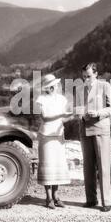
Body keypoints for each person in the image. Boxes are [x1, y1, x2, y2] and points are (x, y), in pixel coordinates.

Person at [77, 63, 111, 212]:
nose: (86, 79)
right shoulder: (81, 89)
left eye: (88, 76)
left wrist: (98, 113)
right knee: (88, 168)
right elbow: (78, 107)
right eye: (84, 77)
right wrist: (78, 113)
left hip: (101, 130)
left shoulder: (105, 86)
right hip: (85, 130)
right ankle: (91, 199)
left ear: (96, 74)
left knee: (103, 166)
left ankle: (107, 202)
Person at [35, 74, 73, 209]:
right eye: (54, 85)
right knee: (48, 164)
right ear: (49, 87)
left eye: (56, 84)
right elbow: (45, 117)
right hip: (46, 135)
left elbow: (63, 119)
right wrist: (62, 115)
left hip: (58, 134)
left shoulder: (62, 99)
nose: (57, 86)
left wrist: (72, 116)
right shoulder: (41, 99)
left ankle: (56, 196)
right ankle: (48, 197)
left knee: (57, 164)